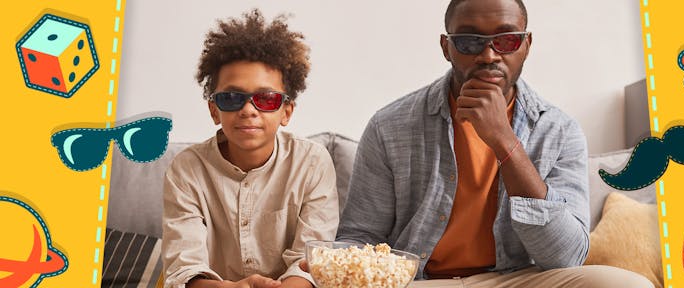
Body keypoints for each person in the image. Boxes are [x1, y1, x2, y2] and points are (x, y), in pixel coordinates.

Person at [334, 0, 654, 287]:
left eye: (507, 40)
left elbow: (566, 256)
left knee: (624, 284)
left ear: (526, 45)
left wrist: (504, 141)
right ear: (447, 47)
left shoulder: (559, 130)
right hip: (417, 281)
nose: (489, 56)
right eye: (470, 41)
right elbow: (359, 236)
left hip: (513, 279)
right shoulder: (390, 126)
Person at [162, 9, 339, 288]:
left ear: (286, 111)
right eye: (232, 97)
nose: (248, 110)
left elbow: (309, 262)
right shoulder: (187, 170)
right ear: (214, 110)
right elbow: (185, 269)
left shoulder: (312, 163)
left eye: (266, 99)